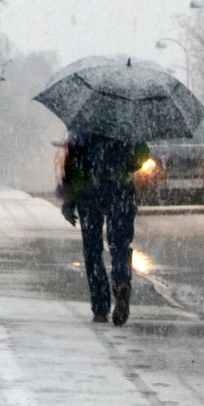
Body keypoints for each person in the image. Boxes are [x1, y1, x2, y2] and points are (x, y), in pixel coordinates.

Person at [58, 131, 146, 325]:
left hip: (89, 193)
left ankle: (100, 307)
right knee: (120, 245)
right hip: (121, 191)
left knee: (92, 250)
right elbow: (141, 156)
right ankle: (121, 282)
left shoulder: (82, 127)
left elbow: (71, 165)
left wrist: (68, 200)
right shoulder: (127, 124)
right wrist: (126, 164)